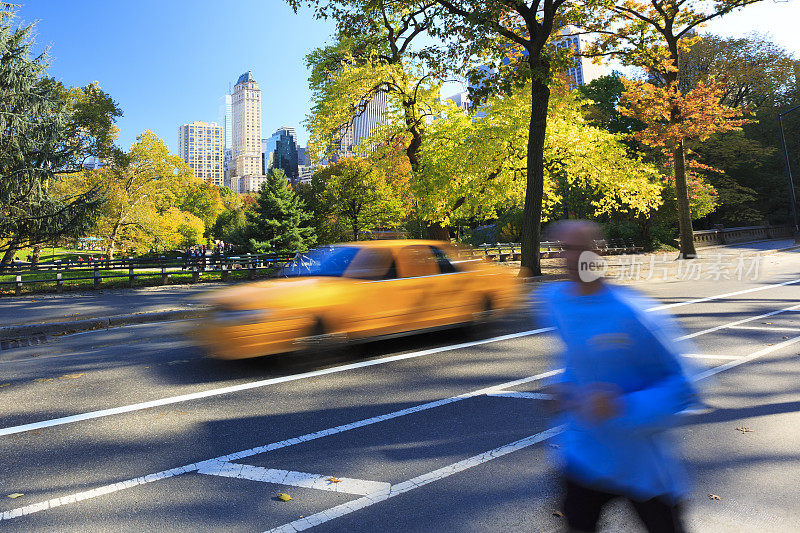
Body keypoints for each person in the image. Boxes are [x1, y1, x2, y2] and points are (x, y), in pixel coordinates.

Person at [534, 220, 697, 533]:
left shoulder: (634, 313)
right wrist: (565, 389)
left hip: (642, 462)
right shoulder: (553, 301)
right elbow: (579, 354)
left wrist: (623, 406)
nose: (568, 258)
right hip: (585, 455)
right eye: (562, 249)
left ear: (599, 252)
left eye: (578, 249)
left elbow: (686, 384)